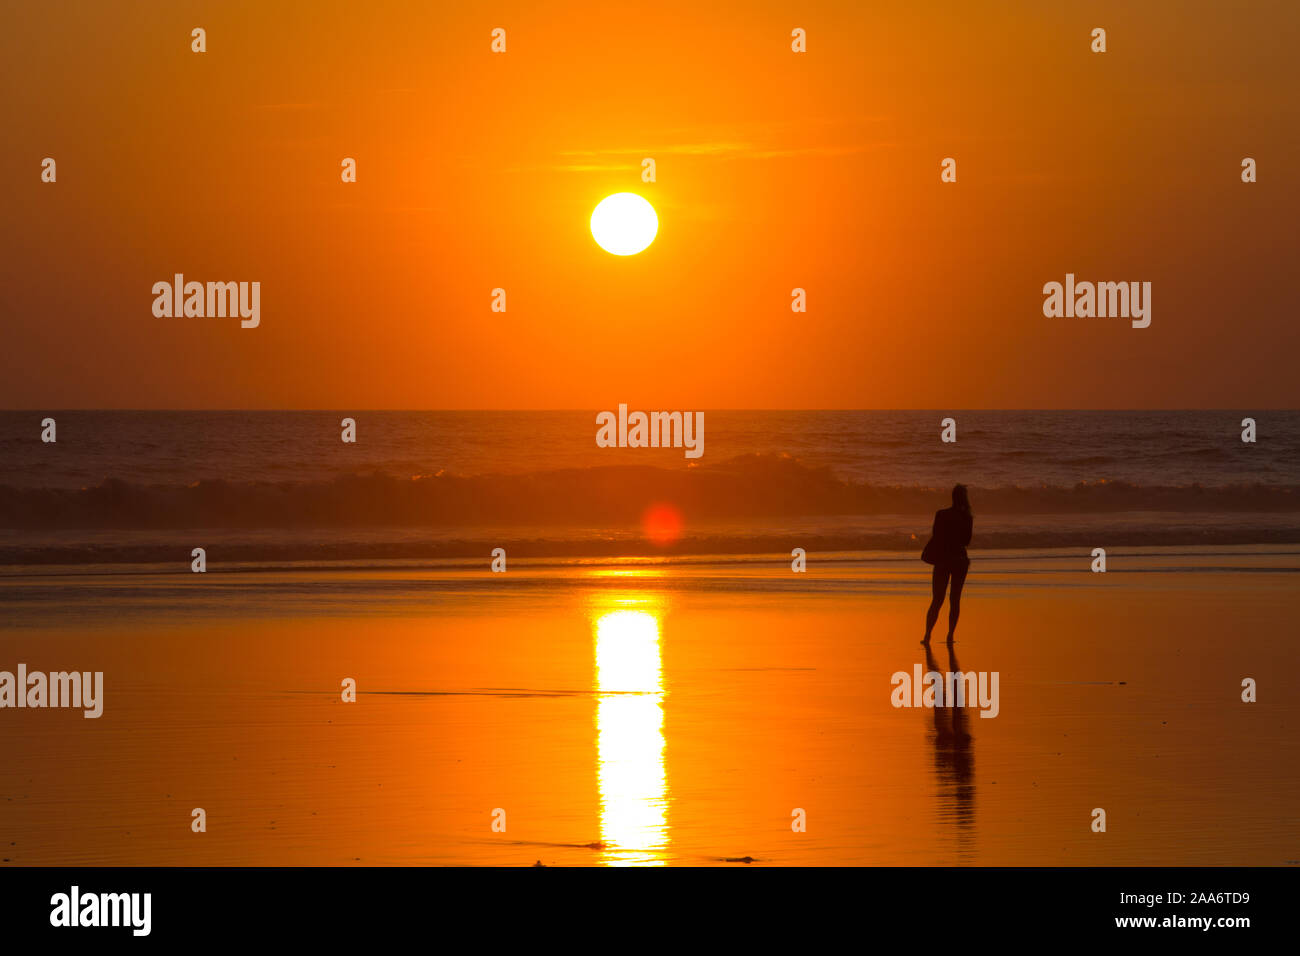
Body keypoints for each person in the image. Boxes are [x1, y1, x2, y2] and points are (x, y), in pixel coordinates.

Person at [923, 484, 973, 644]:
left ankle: (927, 635)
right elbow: (967, 541)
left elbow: (936, 535)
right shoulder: (967, 517)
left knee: (937, 599)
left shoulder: (941, 514)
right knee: (955, 599)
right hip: (959, 560)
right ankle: (950, 635)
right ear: (964, 498)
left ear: (952, 497)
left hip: (943, 559)